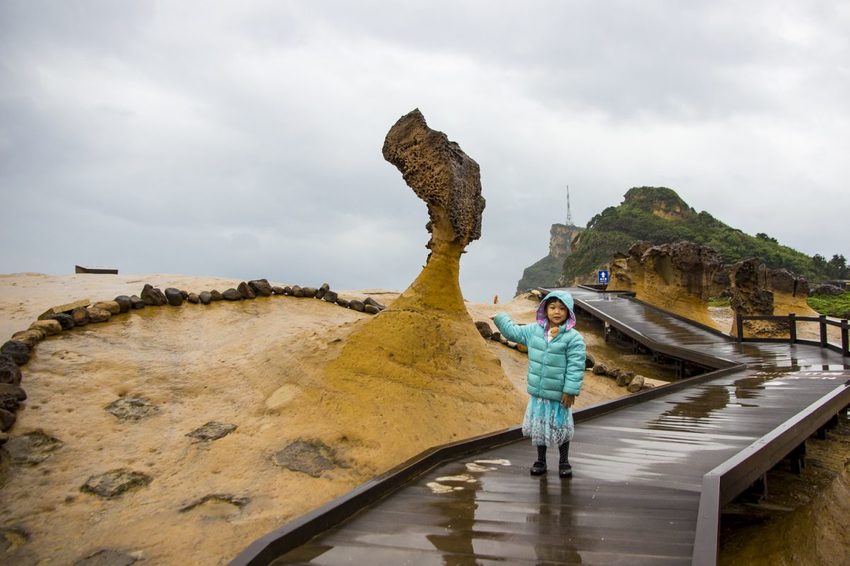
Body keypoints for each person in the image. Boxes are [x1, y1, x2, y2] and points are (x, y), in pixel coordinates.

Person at [492, 290, 586, 478]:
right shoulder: (534, 330)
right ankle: (540, 460)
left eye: (561, 308)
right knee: (539, 427)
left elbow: (576, 366)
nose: (557, 312)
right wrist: (499, 316)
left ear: (569, 312)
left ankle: (564, 461)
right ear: (545, 309)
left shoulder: (573, 337)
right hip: (539, 393)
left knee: (562, 428)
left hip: (560, 395)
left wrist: (570, 390)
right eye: (552, 307)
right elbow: (513, 332)